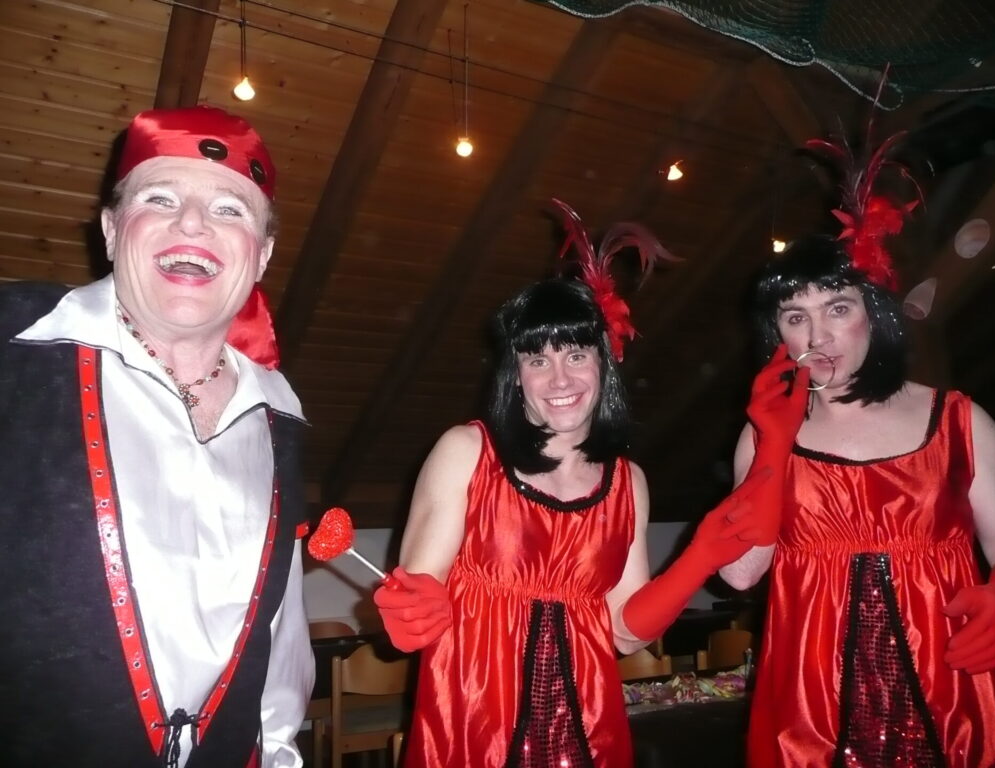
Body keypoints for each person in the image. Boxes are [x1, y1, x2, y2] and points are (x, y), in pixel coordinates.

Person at [372, 202, 808, 767]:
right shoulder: (467, 451)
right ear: (516, 375)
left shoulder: (628, 482)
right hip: (474, 728)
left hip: (588, 732)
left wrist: (699, 558)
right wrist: (409, 611)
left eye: (576, 355)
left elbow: (624, 633)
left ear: (604, 365)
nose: (559, 379)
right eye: (537, 360)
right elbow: (417, 598)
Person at [0, 106, 314, 767]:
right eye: (160, 198)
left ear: (261, 255)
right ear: (112, 230)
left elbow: (280, 625)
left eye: (229, 208)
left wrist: (280, 751)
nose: (193, 223)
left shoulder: (281, 411)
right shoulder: (14, 342)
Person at [722, 232, 995, 767]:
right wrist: (773, 445)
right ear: (778, 333)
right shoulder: (764, 435)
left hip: (950, 694)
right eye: (795, 317)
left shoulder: (960, 422)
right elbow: (741, 573)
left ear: (874, 313)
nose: (818, 335)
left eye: (838, 308)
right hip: (811, 710)